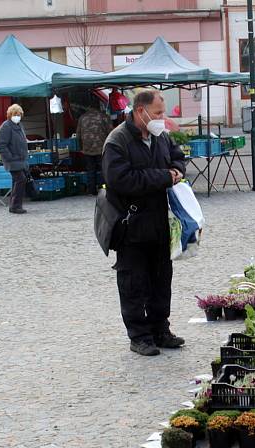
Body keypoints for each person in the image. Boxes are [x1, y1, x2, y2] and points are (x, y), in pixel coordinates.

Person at [102, 90, 187, 356]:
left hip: (161, 221)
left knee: (162, 279)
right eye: (158, 113)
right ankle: (139, 336)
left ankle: (160, 329)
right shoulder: (117, 141)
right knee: (134, 282)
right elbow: (123, 180)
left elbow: (178, 159)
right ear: (141, 111)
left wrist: (176, 171)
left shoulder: (161, 136)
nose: (162, 118)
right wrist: (164, 176)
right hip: (132, 224)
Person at [0, 104, 29, 214]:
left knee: (17, 181)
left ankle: (14, 205)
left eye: (19, 114)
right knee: (21, 179)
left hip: (21, 160)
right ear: (10, 114)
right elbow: (2, 146)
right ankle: (15, 206)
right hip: (12, 161)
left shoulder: (20, 125)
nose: (17, 116)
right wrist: (10, 158)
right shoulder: (6, 126)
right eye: (15, 114)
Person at [76, 101, 112, 194]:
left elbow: (78, 135)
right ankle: (103, 188)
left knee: (90, 170)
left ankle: (91, 190)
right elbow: (111, 133)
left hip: (87, 149)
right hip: (101, 148)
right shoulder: (104, 117)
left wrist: (81, 148)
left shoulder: (82, 118)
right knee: (103, 169)